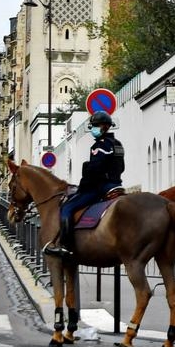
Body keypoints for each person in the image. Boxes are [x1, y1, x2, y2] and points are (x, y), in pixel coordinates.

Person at [45, 110, 125, 258]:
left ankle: (65, 246)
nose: (93, 129)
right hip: (117, 184)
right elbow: (122, 167)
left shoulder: (99, 145)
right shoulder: (117, 144)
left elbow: (95, 170)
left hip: (100, 187)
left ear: (104, 127)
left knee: (67, 208)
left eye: (96, 125)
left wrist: (82, 187)